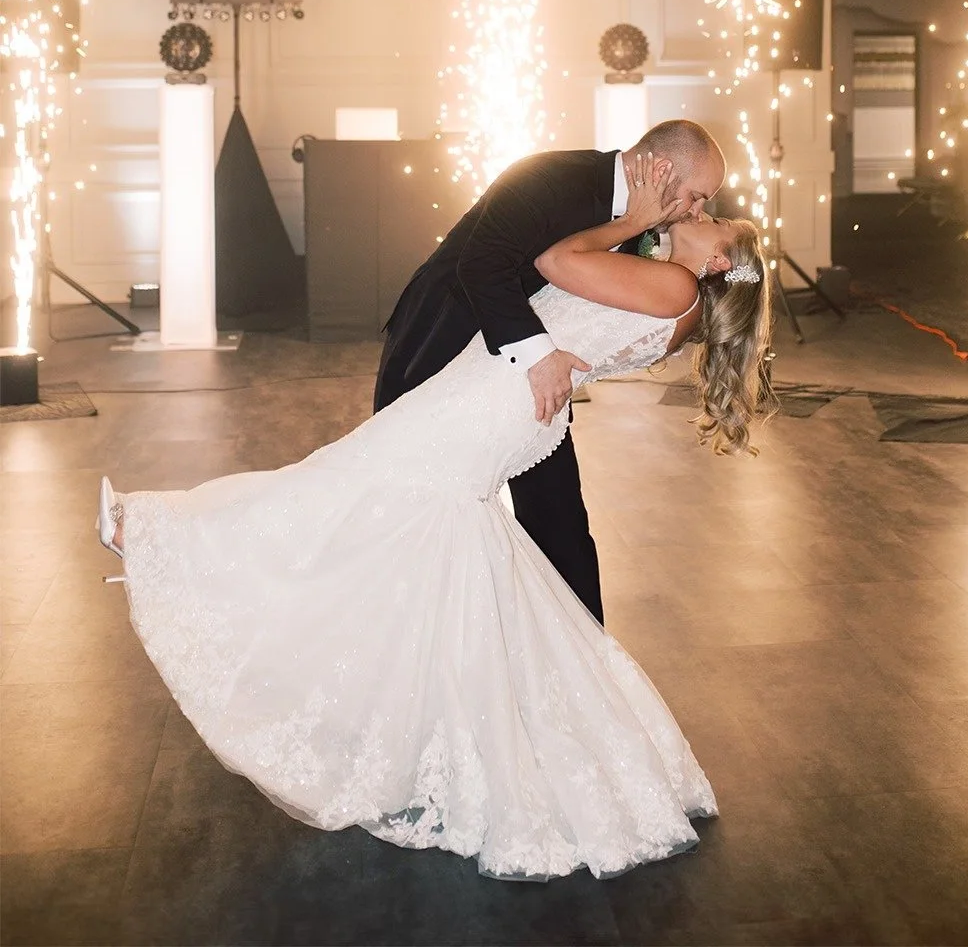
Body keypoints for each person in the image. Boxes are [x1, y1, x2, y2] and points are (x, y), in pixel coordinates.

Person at [97, 157, 772, 881]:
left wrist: (634, 220)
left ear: (718, 262)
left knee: (352, 483)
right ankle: (442, 725)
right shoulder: (670, 284)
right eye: (698, 204)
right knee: (400, 516)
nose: (695, 216)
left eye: (710, 221)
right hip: (500, 389)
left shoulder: (675, 286)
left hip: (495, 399)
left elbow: (554, 261)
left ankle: (162, 537)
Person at [374, 120, 726, 622]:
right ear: (663, 169)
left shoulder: (644, 231)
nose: (696, 211)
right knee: (406, 497)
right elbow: (481, 265)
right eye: (696, 196)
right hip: (438, 346)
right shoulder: (550, 176)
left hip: (529, 387)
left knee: (559, 520)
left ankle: (585, 651)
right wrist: (539, 357)